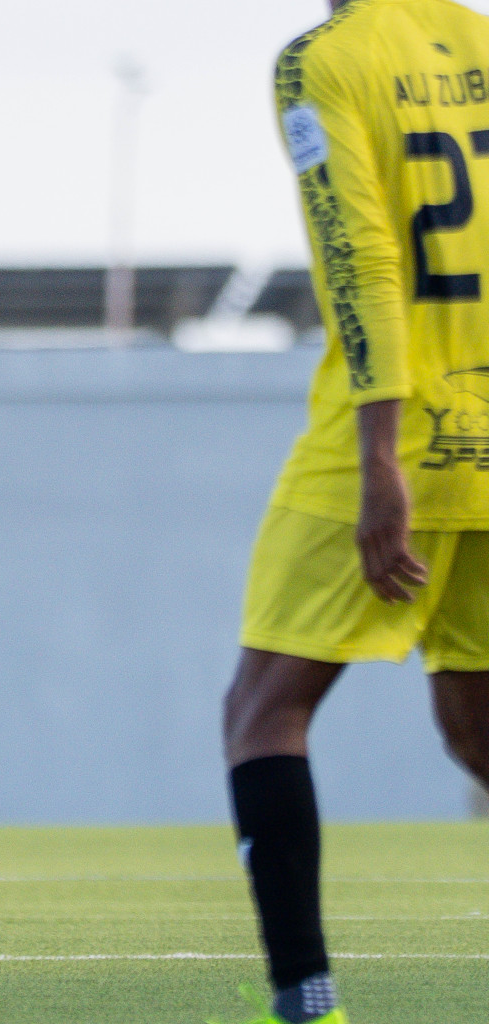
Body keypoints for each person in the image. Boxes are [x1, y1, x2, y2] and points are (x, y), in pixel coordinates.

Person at [225, 0, 489, 1019]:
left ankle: (307, 1000)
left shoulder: (320, 62)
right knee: (475, 727)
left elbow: (361, 260)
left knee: (263, 710)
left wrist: (382, 458)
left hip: (394, 438)